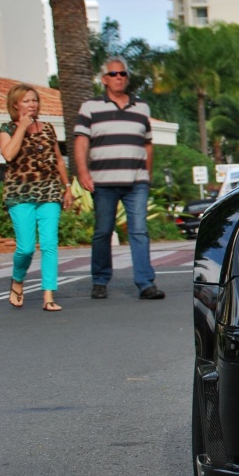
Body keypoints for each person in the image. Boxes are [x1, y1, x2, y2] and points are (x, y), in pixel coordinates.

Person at [73, 59, 165, 300]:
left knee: (139, 231)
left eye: (123, 73)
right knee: (103, 231)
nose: (119, 77)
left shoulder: (141, 107)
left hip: (136, 182)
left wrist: (147, 173)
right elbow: (81, 141)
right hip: (103, 182)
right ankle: (100, 280)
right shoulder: (90, 106)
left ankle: (146, 284)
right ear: (104, 79)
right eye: (113, 74)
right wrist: (82, 172)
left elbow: (147, 143)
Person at [0, 84, 73, 311]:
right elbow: (8, 154)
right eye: (26, 101)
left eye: (34, 100)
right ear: (15, 105)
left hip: (49, 191)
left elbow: (59, 159)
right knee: (26, 248)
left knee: (50, 244)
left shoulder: (48, 128)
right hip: (19, 195)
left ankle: (48, 295)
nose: (32, 105)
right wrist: (22, 126)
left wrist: (67, 186)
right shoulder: (7, 128)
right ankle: (18, 280)